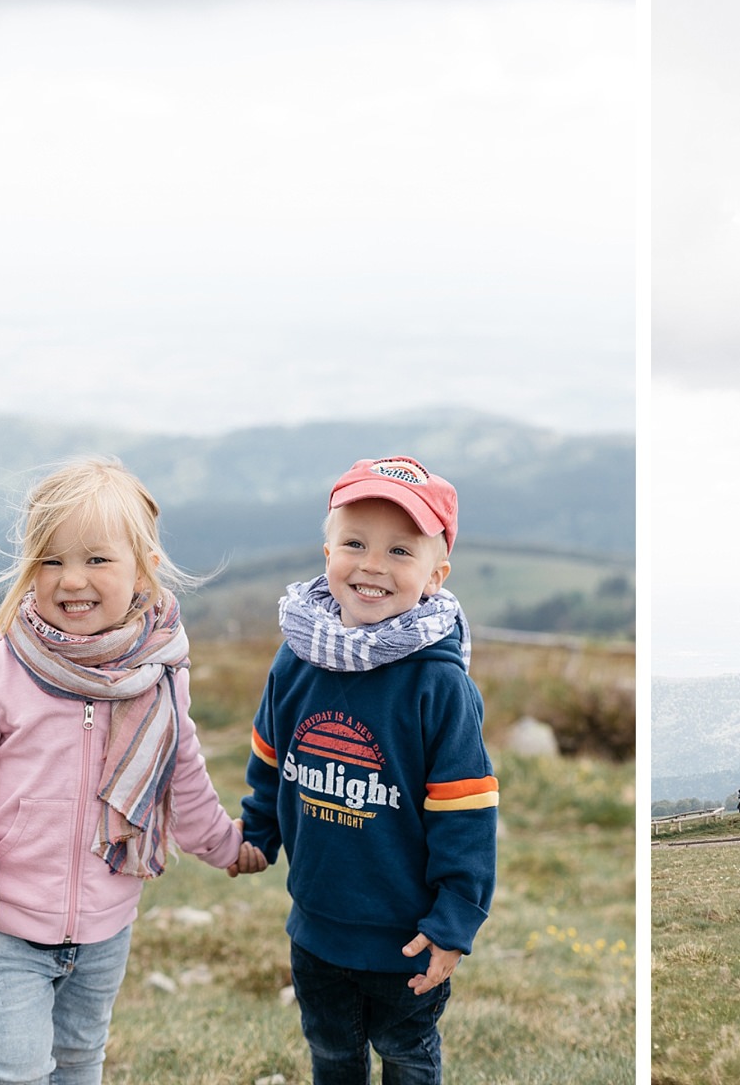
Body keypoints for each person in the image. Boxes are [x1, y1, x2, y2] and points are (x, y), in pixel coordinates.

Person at [0, 456, 266, 1085]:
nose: (71, 579)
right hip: (8, 921)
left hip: (107, 923)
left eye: (97, 560)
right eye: (51, 560)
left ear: (144, 571)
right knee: (16, 1068)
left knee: (80, 1062)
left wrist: (225, 845)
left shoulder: (159, 674)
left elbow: (179, 767)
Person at [241, 456, 497, 1085]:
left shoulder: (437, 685)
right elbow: (271, 754)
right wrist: (257, 831)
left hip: (405, 936)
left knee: (407, 1056)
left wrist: (455, 920)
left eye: (400, 551)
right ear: (326, 549)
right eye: (354, 543)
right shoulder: (297, 657)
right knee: (331, 1055)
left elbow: (466, 815)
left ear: (435, 574)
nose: (373, 565)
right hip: (316, 924)